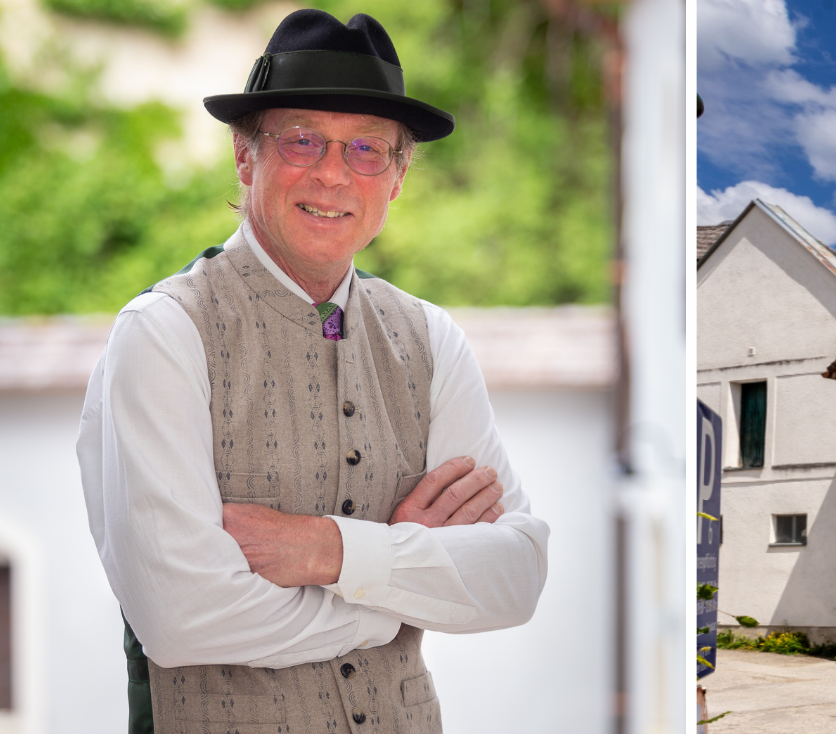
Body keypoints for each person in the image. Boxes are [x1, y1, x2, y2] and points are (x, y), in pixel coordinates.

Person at [76, 10, 549, 733]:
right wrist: (398, 588)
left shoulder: (431, 339)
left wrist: (325, 550)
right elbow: (182, 619)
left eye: (367, 149)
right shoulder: (166, 333)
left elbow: (515, 576)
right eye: (302, 140)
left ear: (397, 178)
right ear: (246, 156)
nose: (332, 173)